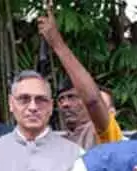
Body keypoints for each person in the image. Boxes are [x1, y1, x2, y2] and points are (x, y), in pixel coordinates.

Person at [39, 4, 124, 150]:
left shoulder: (102, 132)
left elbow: (93, 100)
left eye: (72, 97)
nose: (65, 105)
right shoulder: (55, 141)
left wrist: (57, 43)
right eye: (61, 99)